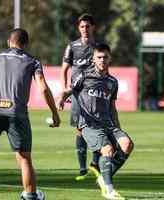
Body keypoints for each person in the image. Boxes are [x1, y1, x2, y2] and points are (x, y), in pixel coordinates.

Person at [0, 28, 61, 200]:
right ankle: (30, 196)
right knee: (24, 158)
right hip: (17, 113)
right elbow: (44, 88)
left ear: (9, 42)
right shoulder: (33, 61)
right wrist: (55, 113)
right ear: (26, 44)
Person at [58, 43, 134, 200]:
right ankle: (109, 189)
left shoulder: (113, 82)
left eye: (105, 57)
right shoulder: (84, 76)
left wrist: (118, 128)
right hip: (89, 124)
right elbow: (69, 90)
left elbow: (112, 107)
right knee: (107, 150)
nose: (102, 60)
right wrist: (60, 101)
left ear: (110, 58)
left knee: (127, 145)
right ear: (93, 59)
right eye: (99, 57)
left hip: (108, 124)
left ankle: (104, 176)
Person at [60, 13, 100, 181]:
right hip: (77, 94)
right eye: (82, 26)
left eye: (88, 26)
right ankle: (83, 168)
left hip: (94, 93)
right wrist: (65, 90)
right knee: (80, 129)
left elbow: (104, 68)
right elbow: (64, 70)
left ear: (93, 27)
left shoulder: (98, 47)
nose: (85, 29)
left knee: (99, 126)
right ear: (79, 28)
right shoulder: (72, 46)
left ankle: (95, 164)